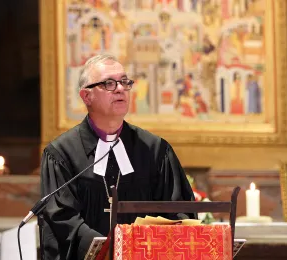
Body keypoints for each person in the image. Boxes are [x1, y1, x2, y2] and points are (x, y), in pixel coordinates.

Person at [40, 54, 196, 260]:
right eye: (109, 83)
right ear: (86, 96)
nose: (120, 88)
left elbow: (179, 211)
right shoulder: (62, 154)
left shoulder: (155, 150)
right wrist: (105, 250)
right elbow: (60, 219)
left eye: (124, 82)